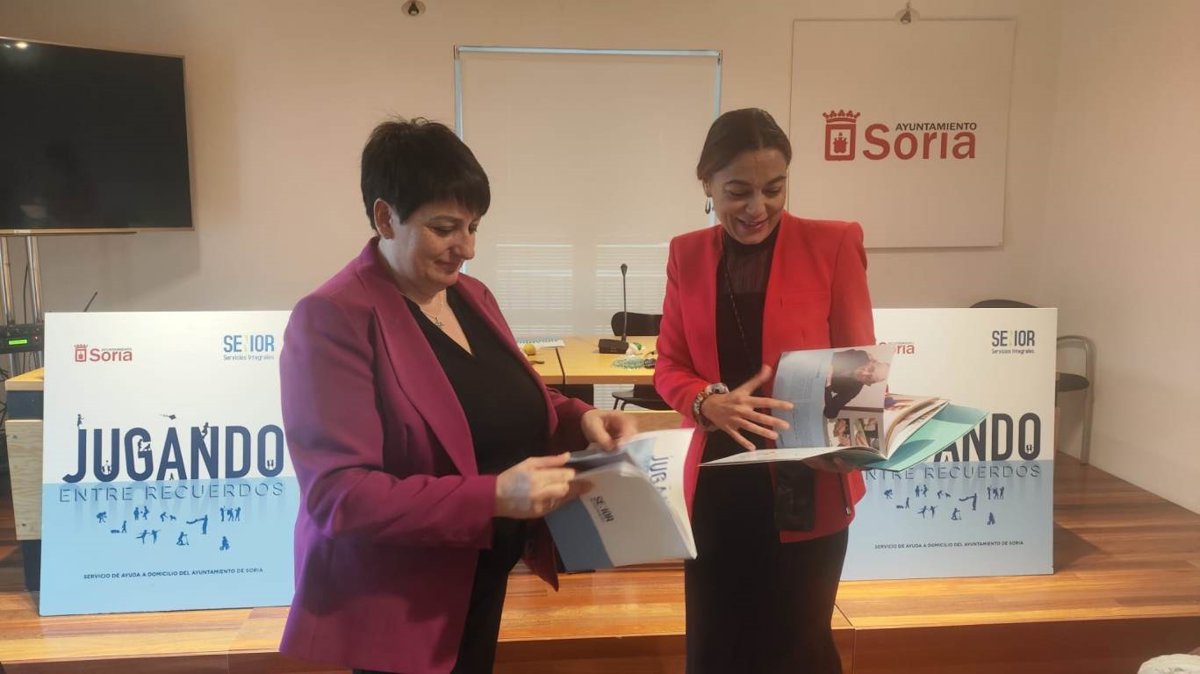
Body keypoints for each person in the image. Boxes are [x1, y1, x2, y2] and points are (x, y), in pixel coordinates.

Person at [278, 117, 637, 674]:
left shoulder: (472, 296)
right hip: (403, 601)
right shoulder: (332, 318)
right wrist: (492, 496)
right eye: (445, 228)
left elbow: (504, 399)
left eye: (473, 227)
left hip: (481, 570)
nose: (465, 248)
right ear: (385, 218)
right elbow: (339, 495)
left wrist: (581, 418)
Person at [654, 108, 876, 674]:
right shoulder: (686, 254)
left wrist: (854, 444)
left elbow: (858, 364)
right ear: (706, 184)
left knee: (798, 646)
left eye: (774, 189)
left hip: (808, 478)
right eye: (738, 192)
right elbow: (670, 366)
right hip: (717, 482)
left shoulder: (833, 243)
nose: (758, 208)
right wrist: (706, 402)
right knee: (716, 645)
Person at [824, 348, 890, 419]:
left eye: (869, 378)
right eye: (870, 368)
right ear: (871, 362)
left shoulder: (854, 390)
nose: (864, 373)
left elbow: (830, 413)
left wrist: (828, 384)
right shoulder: (860, 356)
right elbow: (828, 357)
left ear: (868, 383)